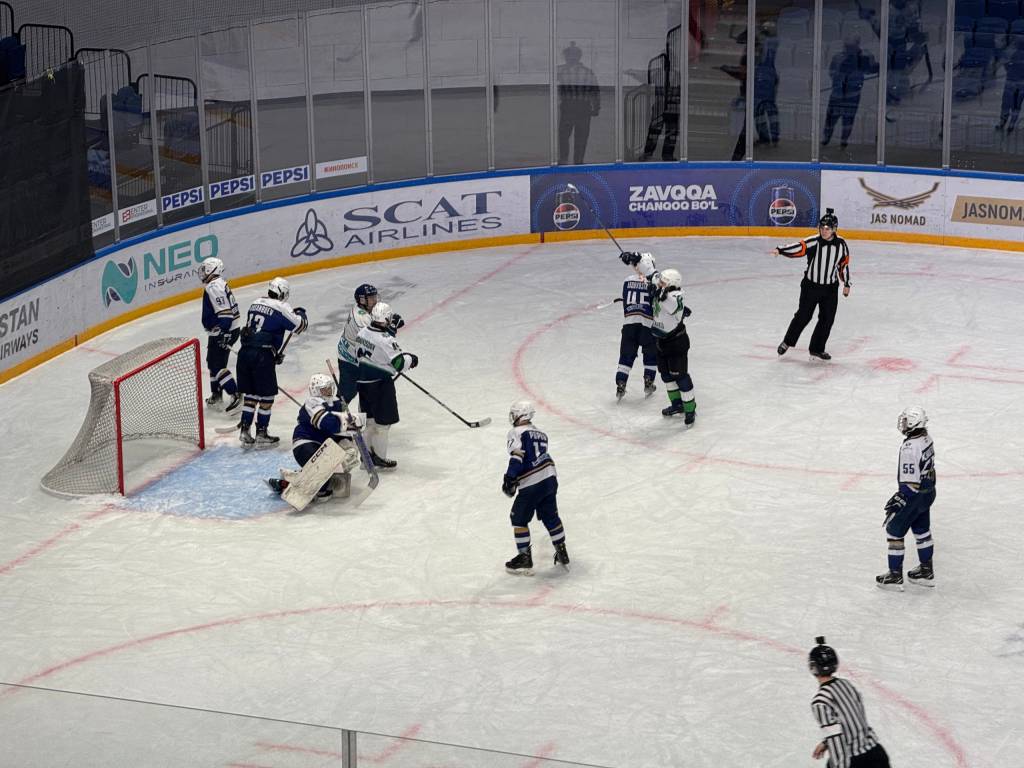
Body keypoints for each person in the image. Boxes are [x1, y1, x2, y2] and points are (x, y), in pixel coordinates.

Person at [620, 252, 696, 426]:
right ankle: (677, 404)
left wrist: (660, 293)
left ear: (671, 285)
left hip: (676, 343)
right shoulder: (661, 286)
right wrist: (636, 259)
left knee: (681, 376)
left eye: (663, 283)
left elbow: (672, 306)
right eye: (660, 282)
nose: (659, 283)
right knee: (667, 376)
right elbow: (650, 272)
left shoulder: (676, 296)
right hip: (660, 342)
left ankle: (690, 408)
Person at [267, 374, 366, 502]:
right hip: (305, 443)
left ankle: (293, 479)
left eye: (330, 388)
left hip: (324, 445)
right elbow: (327, 423)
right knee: (321, 474)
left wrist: (349, 439)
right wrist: (349, 422)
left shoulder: (337, 402)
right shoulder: (312, 402)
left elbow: (341, 431)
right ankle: (291, 484)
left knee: (347, 454)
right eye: (324, 389)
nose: (328, 391)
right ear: (315, 390)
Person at [235, 277, 308, 447]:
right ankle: (261, 433)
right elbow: (300, 326)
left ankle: (245, 430)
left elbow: (261, 329)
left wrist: (273, 352)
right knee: (266, 397)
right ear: (282, 293)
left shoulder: (255, 303)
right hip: (261, 356)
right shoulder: (281, 307)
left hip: (244, 353)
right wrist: (301, 313)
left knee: (251, 394)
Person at [774, 208, 851, 361]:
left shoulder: (841, 244)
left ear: (834, 229)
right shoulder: (814, 241)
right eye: (822, 228)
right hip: (811, 287)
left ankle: (816, 349)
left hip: (830, 289)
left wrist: (847, 283)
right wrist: (781, 250)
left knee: (827, 319)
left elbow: (843, 265)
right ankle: (787, 341)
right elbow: (799, 247)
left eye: (827, 228)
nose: (824, 231)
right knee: (803, 316)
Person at [502, 400, 569, 574]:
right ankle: (562, 552)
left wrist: (510, 477)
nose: (512, 417)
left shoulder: (516, 432)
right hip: (550, 477)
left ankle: (524, 557)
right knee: (551, 516)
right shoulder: (541, 433)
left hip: (533, 482)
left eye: (514, 413)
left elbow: (518, 456)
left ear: (521, 415)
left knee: (518, 519)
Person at [876, 406, 936, 590]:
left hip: (914, 495)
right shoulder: (926, 438)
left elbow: (911, 482)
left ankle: (895, 576)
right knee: (921, 530)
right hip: (928, 492)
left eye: (905, 420)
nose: (902, 424)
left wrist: (901, 498)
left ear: (912, 422)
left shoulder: (910, 448)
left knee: (894, 531)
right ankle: (926, 571)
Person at [808, 636, 891, 767]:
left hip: (855, 761)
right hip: (876, 753)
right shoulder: (846, 684)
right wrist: (826, 742)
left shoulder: (820, 702)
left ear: (813, 667)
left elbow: (837, 742)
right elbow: (854, 720)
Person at [355, 302, 416, 469]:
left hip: (363, 384)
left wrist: (391, 330)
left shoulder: (362, 332)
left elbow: (376, 343)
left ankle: (366, 457)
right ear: (387, 319)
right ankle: (379, 458)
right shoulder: (386, 340)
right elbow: (398, 363)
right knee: (382, 424)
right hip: (380, 385)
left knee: (370, 421)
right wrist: (411, 359)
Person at [198, 257, 241, 413]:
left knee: (216, 365)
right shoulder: (218, 283)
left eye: (205, 269)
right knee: (213, 362)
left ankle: (235, 394)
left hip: (224, 330)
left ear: (211, 269)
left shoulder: (214, 286)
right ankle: (216, 395)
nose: (202, 273)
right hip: (224, 330)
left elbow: (226, 314)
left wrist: (223, 332)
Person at [822, 35, 878, 150]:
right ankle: (826, 138)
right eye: (847, 46)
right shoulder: (838, 57)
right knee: (830, 119)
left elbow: (870, 70)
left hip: (852, 96)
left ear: (857, 45)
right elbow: (832, 72)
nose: (849, 48)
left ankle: (844, 141)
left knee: (848, 120)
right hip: (837, 95)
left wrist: (874, 66)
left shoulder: (864, 57)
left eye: (852, 46)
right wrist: (840, 78)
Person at [615, 261, 658, 401]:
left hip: (629, 325)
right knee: (651, 355)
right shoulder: (654, 282)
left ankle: (621, 383)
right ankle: (649, 380)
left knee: (626, 356)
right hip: (648, 326)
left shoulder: (627, 280)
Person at [557, 41, 601, 165]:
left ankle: (564, 159)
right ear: (579, 57)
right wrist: (596, 108)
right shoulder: (588, 72)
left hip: (568, 107)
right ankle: (579, 161)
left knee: (563, 135)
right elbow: (595, 91)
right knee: (581, 137)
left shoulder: (561, 71)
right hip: (583, 108)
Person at [336, 283, 379, 408]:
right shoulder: (361, 318)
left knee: (367, 389)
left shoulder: (362, 308)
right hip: (349, 359)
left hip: (355, 355)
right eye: (371, 298)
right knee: (347, 393)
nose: (375, 300)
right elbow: (373, 341)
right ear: (362, 300)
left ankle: (364, 414)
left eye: (375, 297)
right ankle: (336, 415)